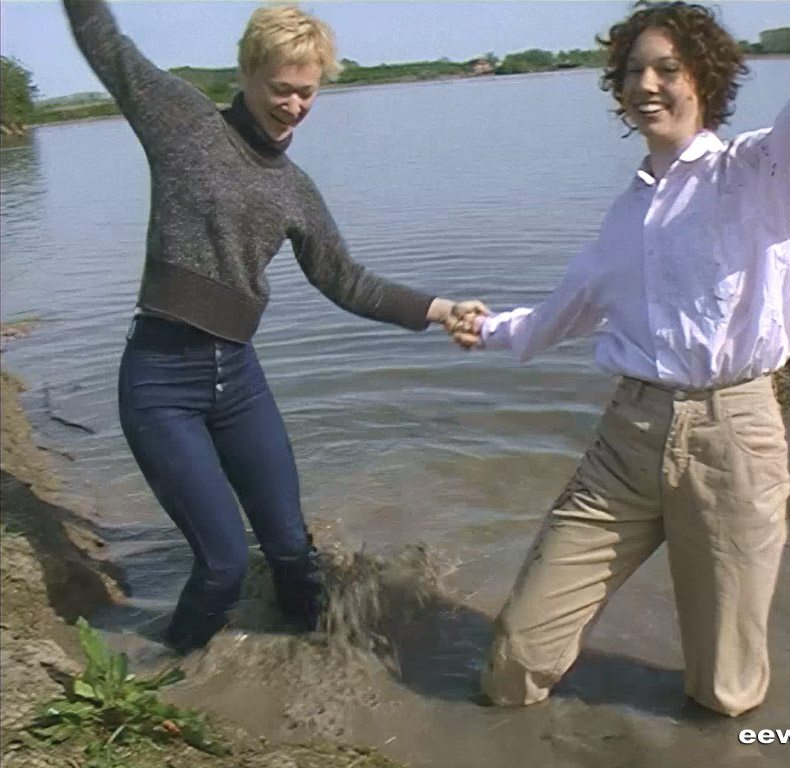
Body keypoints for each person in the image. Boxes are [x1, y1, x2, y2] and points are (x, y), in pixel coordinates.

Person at [450, 0, 790, 716]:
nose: (647, 85)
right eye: (633, 71)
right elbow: (562, 313)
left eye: (667, 69)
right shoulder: (626, 214)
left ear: (705, 77)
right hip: (625, 445)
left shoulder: (762, 173)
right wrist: (485, 329)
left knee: (723, 693)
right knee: (513, 664)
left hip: (732, 443)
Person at [61, 0, 487, 654]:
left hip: (238, 380)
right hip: (161, 382)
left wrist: (439, 309)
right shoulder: (183, 121)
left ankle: (316, 656)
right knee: (224, 564)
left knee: (292, 550)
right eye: (281, 89)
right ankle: (166, 672)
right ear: (247, 73)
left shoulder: (295, 188)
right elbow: (106, 43)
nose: (293, 106)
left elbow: (346, 280)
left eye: (307, 93)